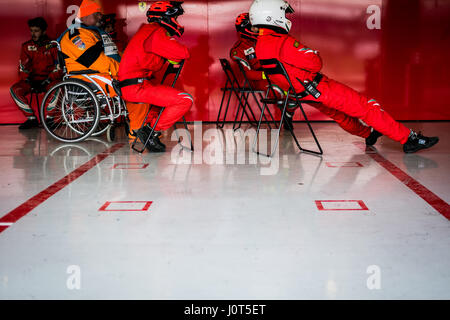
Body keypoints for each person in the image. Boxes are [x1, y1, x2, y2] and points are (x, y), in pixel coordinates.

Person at [249, 0, 439, 153]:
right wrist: (312, 52)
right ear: (272, 16)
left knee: (341, 116)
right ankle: (409, 139)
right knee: (368, 107)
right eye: (283, 13)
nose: (285, 16)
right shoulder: (281, 41)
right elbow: (315, 63)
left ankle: (368, 133)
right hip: (318, 87)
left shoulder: (260, 45)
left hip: (301, 92)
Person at [118, 1, 192, 153]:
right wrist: (171, 56)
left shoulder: (148, 31)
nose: (177, 22)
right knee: (185, 100)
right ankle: (150, 131)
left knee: (161, 104)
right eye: (175, 18)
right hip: (136, 87)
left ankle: (149, 131)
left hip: (138, 85)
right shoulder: (155, 32)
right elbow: (183, 53)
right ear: (165, 18)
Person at [10, 17, 62, 129]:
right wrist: (28, 80)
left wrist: (48, 80)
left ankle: (49, 120)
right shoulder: (26, 46)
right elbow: (23, 67)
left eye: (36, 31)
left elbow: (59, 67)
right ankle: (31, 119)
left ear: (44, 31)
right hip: (32, 81)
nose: (33, 34)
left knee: (59, 87)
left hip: (50, 81)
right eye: (31, 30)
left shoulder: (53, 45)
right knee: (14, 90)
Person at [59, 0, 120, 79]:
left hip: (101, 76)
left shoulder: (89, 32)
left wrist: (129, 64)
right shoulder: (75, 36)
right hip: (90, 80)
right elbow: (98, 62)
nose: (100, 17)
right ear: (84, 16)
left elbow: (111, 54)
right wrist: (124, 69)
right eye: (97, 14)